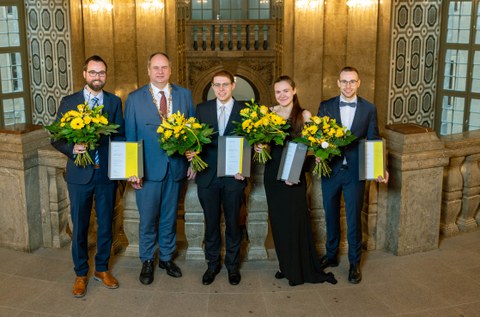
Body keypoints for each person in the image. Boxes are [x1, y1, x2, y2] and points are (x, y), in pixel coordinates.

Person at [51, 55, 125, 297]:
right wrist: (73, 149)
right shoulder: (69, 102)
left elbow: (120, 137)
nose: (97, 77)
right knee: (80, 226)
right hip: (79, 175)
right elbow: (56, 137)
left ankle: (102, 269)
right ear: (84, 74)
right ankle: (81, 273)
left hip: (105, 175)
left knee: (106, 225)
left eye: (102, 73)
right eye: (93, 72)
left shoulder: (114, 102)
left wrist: (127, 166)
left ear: (106, 75)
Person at [255, 75, 337, 286]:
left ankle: (299, 268)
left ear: (294, 91)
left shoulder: (304, 115)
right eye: (277, 92)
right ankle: (285, 265)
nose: (281, 95)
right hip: (273, 174)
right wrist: (260, 146)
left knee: (296, 221)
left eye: (285, 90)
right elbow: (264, 143)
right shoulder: (268, 114)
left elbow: (311, 146)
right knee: (279, 222)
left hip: (294, 172)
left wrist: (301, 168)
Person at [124, 52, 195, 285]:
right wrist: (132, 168)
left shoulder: (184, 96)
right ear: (148, 70)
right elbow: (130, 137)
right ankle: (147, 260)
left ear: (170, 70)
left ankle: (165, 257)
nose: (160, 71)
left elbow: (193, 131)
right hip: (147, 170)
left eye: (164, 67)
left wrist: (193, 160)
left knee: (169, 217)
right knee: (147, 219)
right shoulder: (134, 99)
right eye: (156, 67)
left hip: (175, 168)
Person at [317, 66, 388, 284]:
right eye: (344, 81)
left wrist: (379, 168)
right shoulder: (326, 106)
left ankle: (354, 263)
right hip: (331, 170)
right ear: (337, 83)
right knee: (330, 215)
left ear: (359, 83)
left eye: (352, 81)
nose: (348, 85)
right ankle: (331, 255)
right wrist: (319, 152)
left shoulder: (369, 108)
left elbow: (374, 139)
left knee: (354, 218)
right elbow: (318, 136)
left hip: (355, 172)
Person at [193, 70, 247, 286]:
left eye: (225, 84)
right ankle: (212, 264)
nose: (221, 89)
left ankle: (232, 267)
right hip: (207, 176)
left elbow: (251, 141)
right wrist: (192, 157)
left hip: (235, 176)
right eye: (217, 85)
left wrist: (244, 166)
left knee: (233, 223)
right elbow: (194, 140)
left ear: (233, 85)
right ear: (212, 87)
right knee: (211, 223)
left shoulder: (245, 110)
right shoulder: (202, 109)